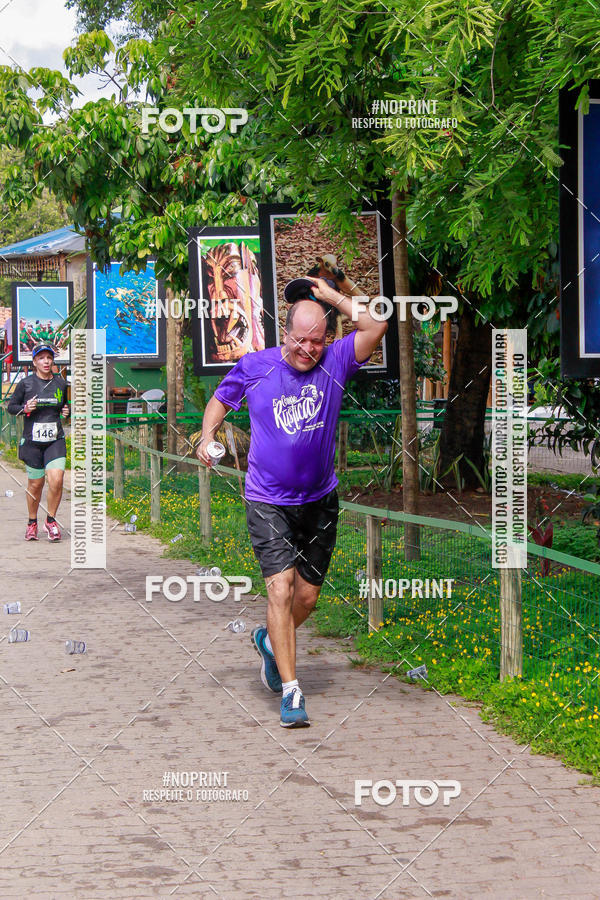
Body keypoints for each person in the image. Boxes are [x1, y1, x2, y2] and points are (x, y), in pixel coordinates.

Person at [196, 276, 387, 727]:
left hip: (320, 499)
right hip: (267, 498)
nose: (308, 350)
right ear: (285, 335)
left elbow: (375, 326)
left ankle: (268, 639)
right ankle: (291, 690)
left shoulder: (336, 361)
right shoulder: (255, 366)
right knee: (279, 589)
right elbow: (220, 401)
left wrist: (332, 297)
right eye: (300, 341)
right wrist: (207, 436)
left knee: (306, 597)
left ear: (329, 338)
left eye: (317, 341)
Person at [6, 343, 70, 541]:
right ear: (34, 362)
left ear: (53, 361)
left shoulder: (61, 383)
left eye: (49, 358)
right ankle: (32, 522)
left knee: (57, 480)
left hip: (54, 440)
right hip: (32, 442)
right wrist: (25, 407)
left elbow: (64, 407)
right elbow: (11, 407)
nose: (46, 361)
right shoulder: (25, 384)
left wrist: (67, 413)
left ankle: (50, 521)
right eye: (41, 358)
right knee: (36, 484)